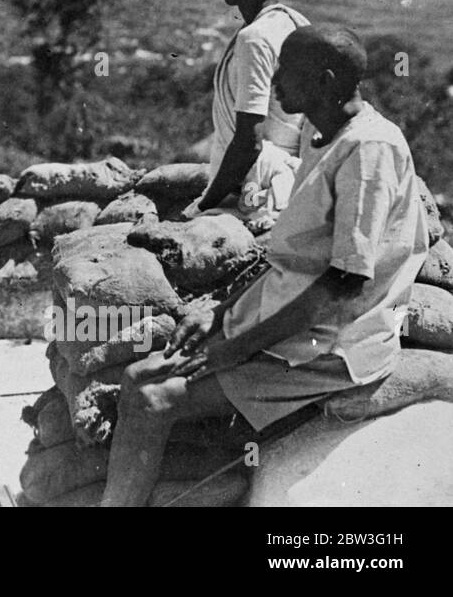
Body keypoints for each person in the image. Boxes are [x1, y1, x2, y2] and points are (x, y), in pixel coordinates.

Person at [102, 26, 429, 506]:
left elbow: (342, 284)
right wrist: (220, 310)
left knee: (154, 398)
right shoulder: (322, 137)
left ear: (325, 79)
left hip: (332, 344)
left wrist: (235, 349)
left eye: (287, 72)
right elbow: (289, 260)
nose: (274, 83)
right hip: (289, 321)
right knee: (135, 379)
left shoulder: (369, 149)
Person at [189, 0, 310, 224]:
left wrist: (203, 205)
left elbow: (248, 142)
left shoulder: (254, 38)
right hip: (287, 182)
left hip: (252, 194)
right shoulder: (296, 24)